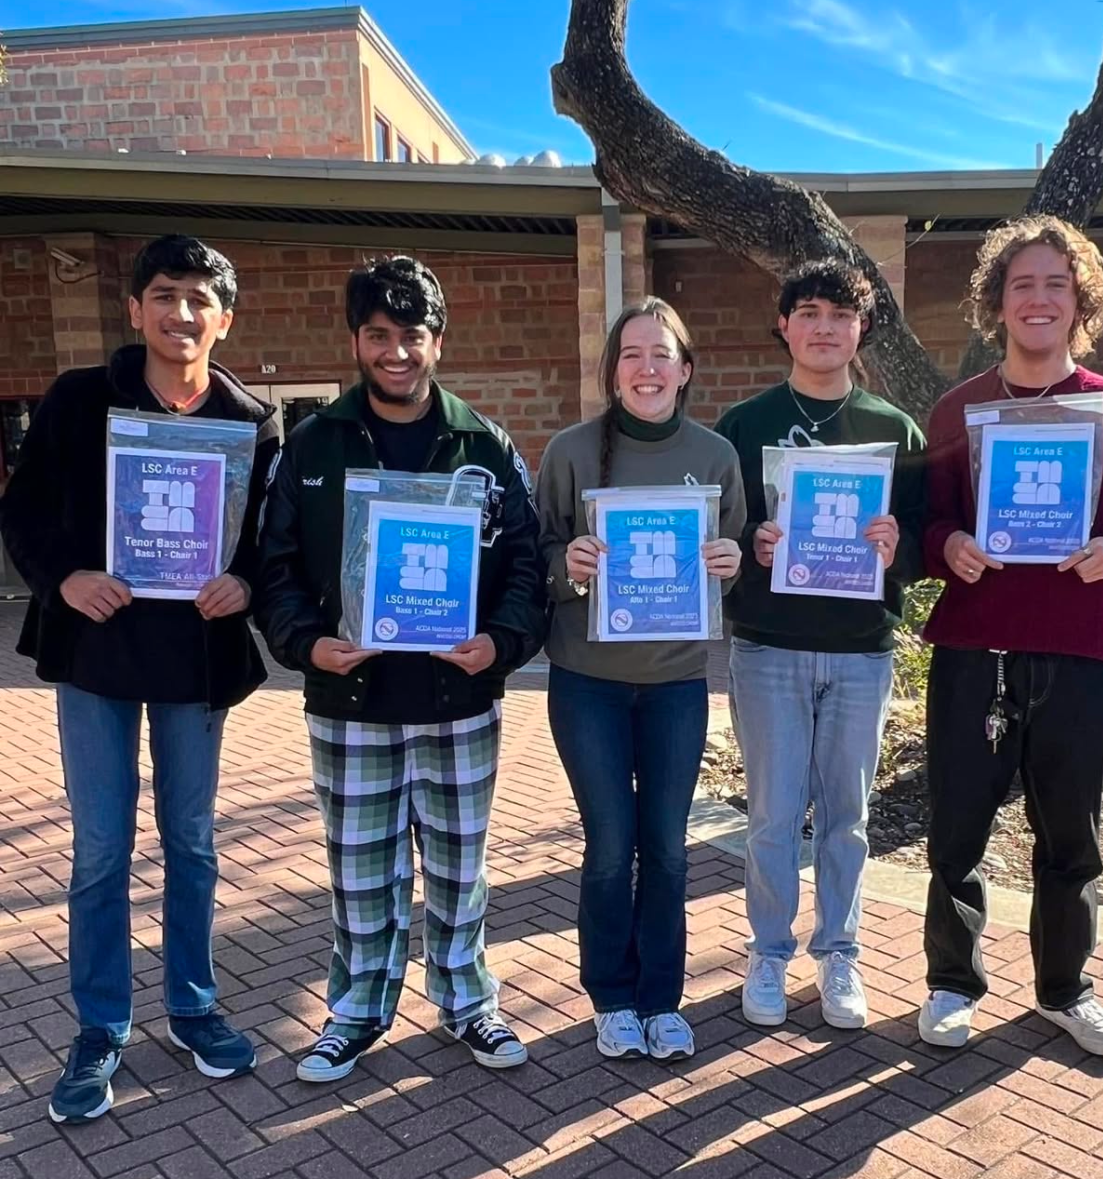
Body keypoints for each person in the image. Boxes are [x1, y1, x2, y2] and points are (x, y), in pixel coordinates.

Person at [0, 235, 279, 1123]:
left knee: (192, 844)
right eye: (165, 294)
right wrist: (64, 577)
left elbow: (276, 541)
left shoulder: (254, 419)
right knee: (100, 851)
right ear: (135, 309)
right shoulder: (81, 400)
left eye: (200, 299)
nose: (181, 313)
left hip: (195, 658)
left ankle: (193, 1007)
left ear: (224, 319)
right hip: (98, 652)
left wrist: (247, 583)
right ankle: (100, 1025)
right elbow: (23, 510)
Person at [255, 255, 545, 1081]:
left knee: (459, 864)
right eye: (378, 335)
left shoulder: (483, 443)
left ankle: (467, 1001)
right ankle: (357, 1007)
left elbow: (526, 564)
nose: (395, 352)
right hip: (351, 697)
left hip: (459, 694)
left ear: (437, 341)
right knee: (359, 868)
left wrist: (501, 643)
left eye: (411, 335)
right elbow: (274, 566)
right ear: (355, 340)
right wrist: (306, 644)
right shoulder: (314, 443)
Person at [918, 215, 1103, 1057]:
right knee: (958, 828)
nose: (1038, 299)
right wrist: (948, 546)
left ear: (1081, 301)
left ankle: (1065, 988)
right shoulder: (960, 409)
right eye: (1021, 285)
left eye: (1055, 284)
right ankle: (950, 982)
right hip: (977, 651)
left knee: (1071, 836)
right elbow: (923, 519)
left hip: (1081, 654)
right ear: (996, 304)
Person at [714, 260, 926, 1031]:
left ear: (861, 328)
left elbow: (923, 547)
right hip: (769, 645)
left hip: (861, 649)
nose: (825, 326)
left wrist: (896, 544)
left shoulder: (893, 428)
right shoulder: (743, 425)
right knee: (772, 814)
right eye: (809, 311)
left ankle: (840, 951)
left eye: (841, 312)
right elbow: (718, 539)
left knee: (848, 815)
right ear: (784, 325)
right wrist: (752, 542)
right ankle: (768, 950)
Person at [536, 299, 746, 1061]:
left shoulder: (715, 457)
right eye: (632, 354)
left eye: (662, 354)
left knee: (665, 848)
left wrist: (732, 561)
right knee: (608, 845)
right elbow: (536, 560)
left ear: (685, 370)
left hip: (675, 684)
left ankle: (661, 998)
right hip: (586, 681)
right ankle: (611, 997)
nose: (647, 368)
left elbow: (735, 560)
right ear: (613, 369)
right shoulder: (568, 450)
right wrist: (569, 567)